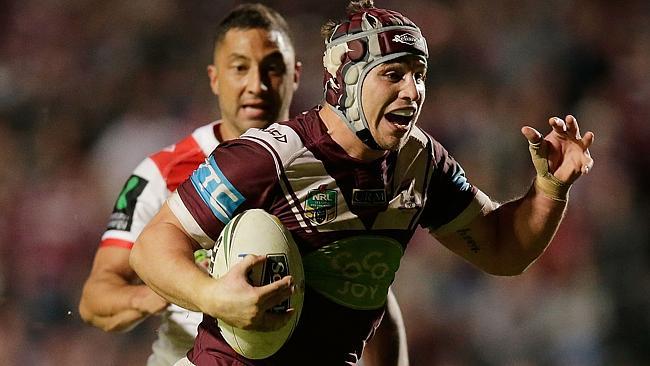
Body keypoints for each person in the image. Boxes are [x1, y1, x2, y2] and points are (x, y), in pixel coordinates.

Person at [130, 0, 595, 365]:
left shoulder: (422, 162)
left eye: (419, 76)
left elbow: (502, 248)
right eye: (393, 75)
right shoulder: (269, 156)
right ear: (345, 82)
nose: (412, 92)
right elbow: (153, 247)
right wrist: (215, 297)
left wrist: (549, 189)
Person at [79, 3, 407, 366]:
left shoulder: (337, 162)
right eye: (240, 68)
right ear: (214, 78)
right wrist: (165, 291)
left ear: (296, 75)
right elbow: (95, 299)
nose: (258, 85)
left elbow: (374, 299)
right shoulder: (161, 172)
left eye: (273, 68)